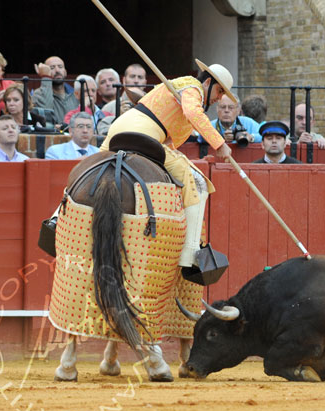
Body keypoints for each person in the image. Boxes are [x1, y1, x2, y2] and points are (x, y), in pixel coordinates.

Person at [100, 59, 234, 274]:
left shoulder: (174, 86)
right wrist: (219, 143)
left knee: (94, 164)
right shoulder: (193, 88)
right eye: (219, 91)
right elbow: (193, 112)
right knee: (198, 182)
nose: (219, 99)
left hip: (122, 125)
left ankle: (57, 217)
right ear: (208, 82)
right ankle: (190, 252)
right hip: (146, 134)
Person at [32, 56, 79, 124]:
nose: (57, 70)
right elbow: (46, 110)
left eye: (60, 67)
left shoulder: (75, 95)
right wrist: (46, 77)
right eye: (52, 68)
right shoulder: (38, 94)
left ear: (65, 72)